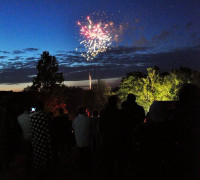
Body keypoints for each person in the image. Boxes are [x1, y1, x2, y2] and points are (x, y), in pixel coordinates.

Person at [30, 100, 53, 172]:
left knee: (38, 154)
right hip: (45, 138)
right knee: (46, 155)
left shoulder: (31, 116)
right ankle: (47, 170)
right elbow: (49, 128)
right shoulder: (45, 115)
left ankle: (39, 170)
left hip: (36, 138)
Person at [72, 106, 91, 170]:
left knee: (81, 154)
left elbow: (73, 128)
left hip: (79, 142)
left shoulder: (75, 120)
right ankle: (87, 167)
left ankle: (81, 167)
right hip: (87, 141)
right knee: (86, 155)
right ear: (85, 111)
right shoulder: (88, 119)